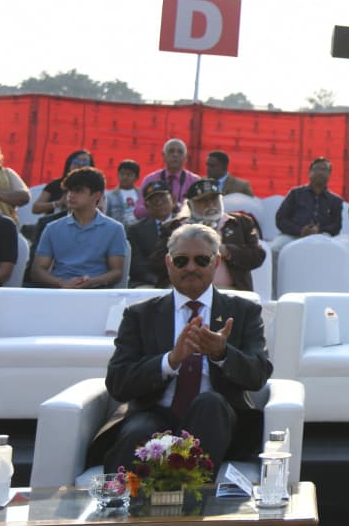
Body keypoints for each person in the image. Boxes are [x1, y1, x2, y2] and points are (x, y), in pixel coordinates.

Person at [98, 223, 273, 473]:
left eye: (201, 260)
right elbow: (117, 382)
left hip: (218, 419)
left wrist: (222, 354)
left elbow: (258, 375)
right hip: (155, 412)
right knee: (138, 432)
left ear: (216, 261)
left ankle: (192, 494)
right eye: (181, 261)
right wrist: (169, 361)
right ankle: (119, 496)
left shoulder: (243, 312)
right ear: (168, 263)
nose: (191, 267)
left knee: (210, 403)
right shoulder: (140, 315)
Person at [150, 180, 264, 291]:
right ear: (190, 205)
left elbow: (258, 256)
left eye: (214, 199)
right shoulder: (174, 227)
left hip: (229, 291)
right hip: (183, 290)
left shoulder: (240, 223)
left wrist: (226, 251)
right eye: (203, 201)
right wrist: (185, 250)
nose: (210, 205)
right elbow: (156, 264)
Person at [30, 166, 127, 288]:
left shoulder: (114, 229)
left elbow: (117, 272)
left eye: (78, 191)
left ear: (97, 195)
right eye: (69, 190)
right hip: (59, 291)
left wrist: (91, 282)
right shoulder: (52, 228)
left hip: (96, 291)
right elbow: (37, 271)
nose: (71, 195)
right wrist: (62, 283)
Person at [274, 157, 343, 245]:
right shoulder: (295, 193)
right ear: (309, 172)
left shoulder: (335, 200)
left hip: (322, 237)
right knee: (276, 248)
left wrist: (319, 230)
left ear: (329, 174)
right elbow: (280, 219)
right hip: (293, 235)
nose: (321, 172)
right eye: (317, 169)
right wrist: (300, 230)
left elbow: (336, 226)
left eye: (325, 170)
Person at [134, 139, 201, 220]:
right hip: (155, 225)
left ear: (186, 157)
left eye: (180, 152)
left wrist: (177, 206)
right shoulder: (150, 179)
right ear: (163, 156)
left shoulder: (195, 181)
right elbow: (138, 212)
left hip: (185, 225)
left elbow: (200, 211)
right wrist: (156, 207)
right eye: (171, 151)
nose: (175, 155)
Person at [127, 181, 176, 286]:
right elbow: (137, 264)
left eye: (163, 199)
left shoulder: (186, 225)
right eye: (154, 201)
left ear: (173, 200)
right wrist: (156, 281)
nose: (159, 204)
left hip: (179, 279)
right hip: (147, 282)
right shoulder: (136, 230)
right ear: (146, 206)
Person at [31, 149, 93, 217]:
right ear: (69, 164)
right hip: (54, 220)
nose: (80, 164)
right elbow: (35, 208)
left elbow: (100, 207)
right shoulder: (55, 184)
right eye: (76, 162)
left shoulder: (94, 185)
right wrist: (58, 203)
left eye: (85, 162)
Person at [104, 160, 143, 226]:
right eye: (122, 174)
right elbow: (107, 216)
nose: (125, 177)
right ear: (117, 175)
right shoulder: (110, 195)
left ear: (137, 178)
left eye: (129, 174)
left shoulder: (142, 194)